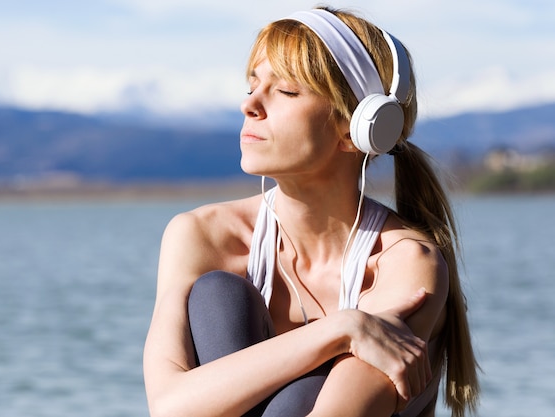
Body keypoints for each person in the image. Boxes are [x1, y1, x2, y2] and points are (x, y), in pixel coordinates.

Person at [143, 6, 479, 417]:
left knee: (308, 392)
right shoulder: (203, 234)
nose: (250, 104)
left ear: (356, 128)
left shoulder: (405, 263)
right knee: (219, 295)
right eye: (252, 85)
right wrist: (343, 327)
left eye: (285, 91)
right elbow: (169, 406)